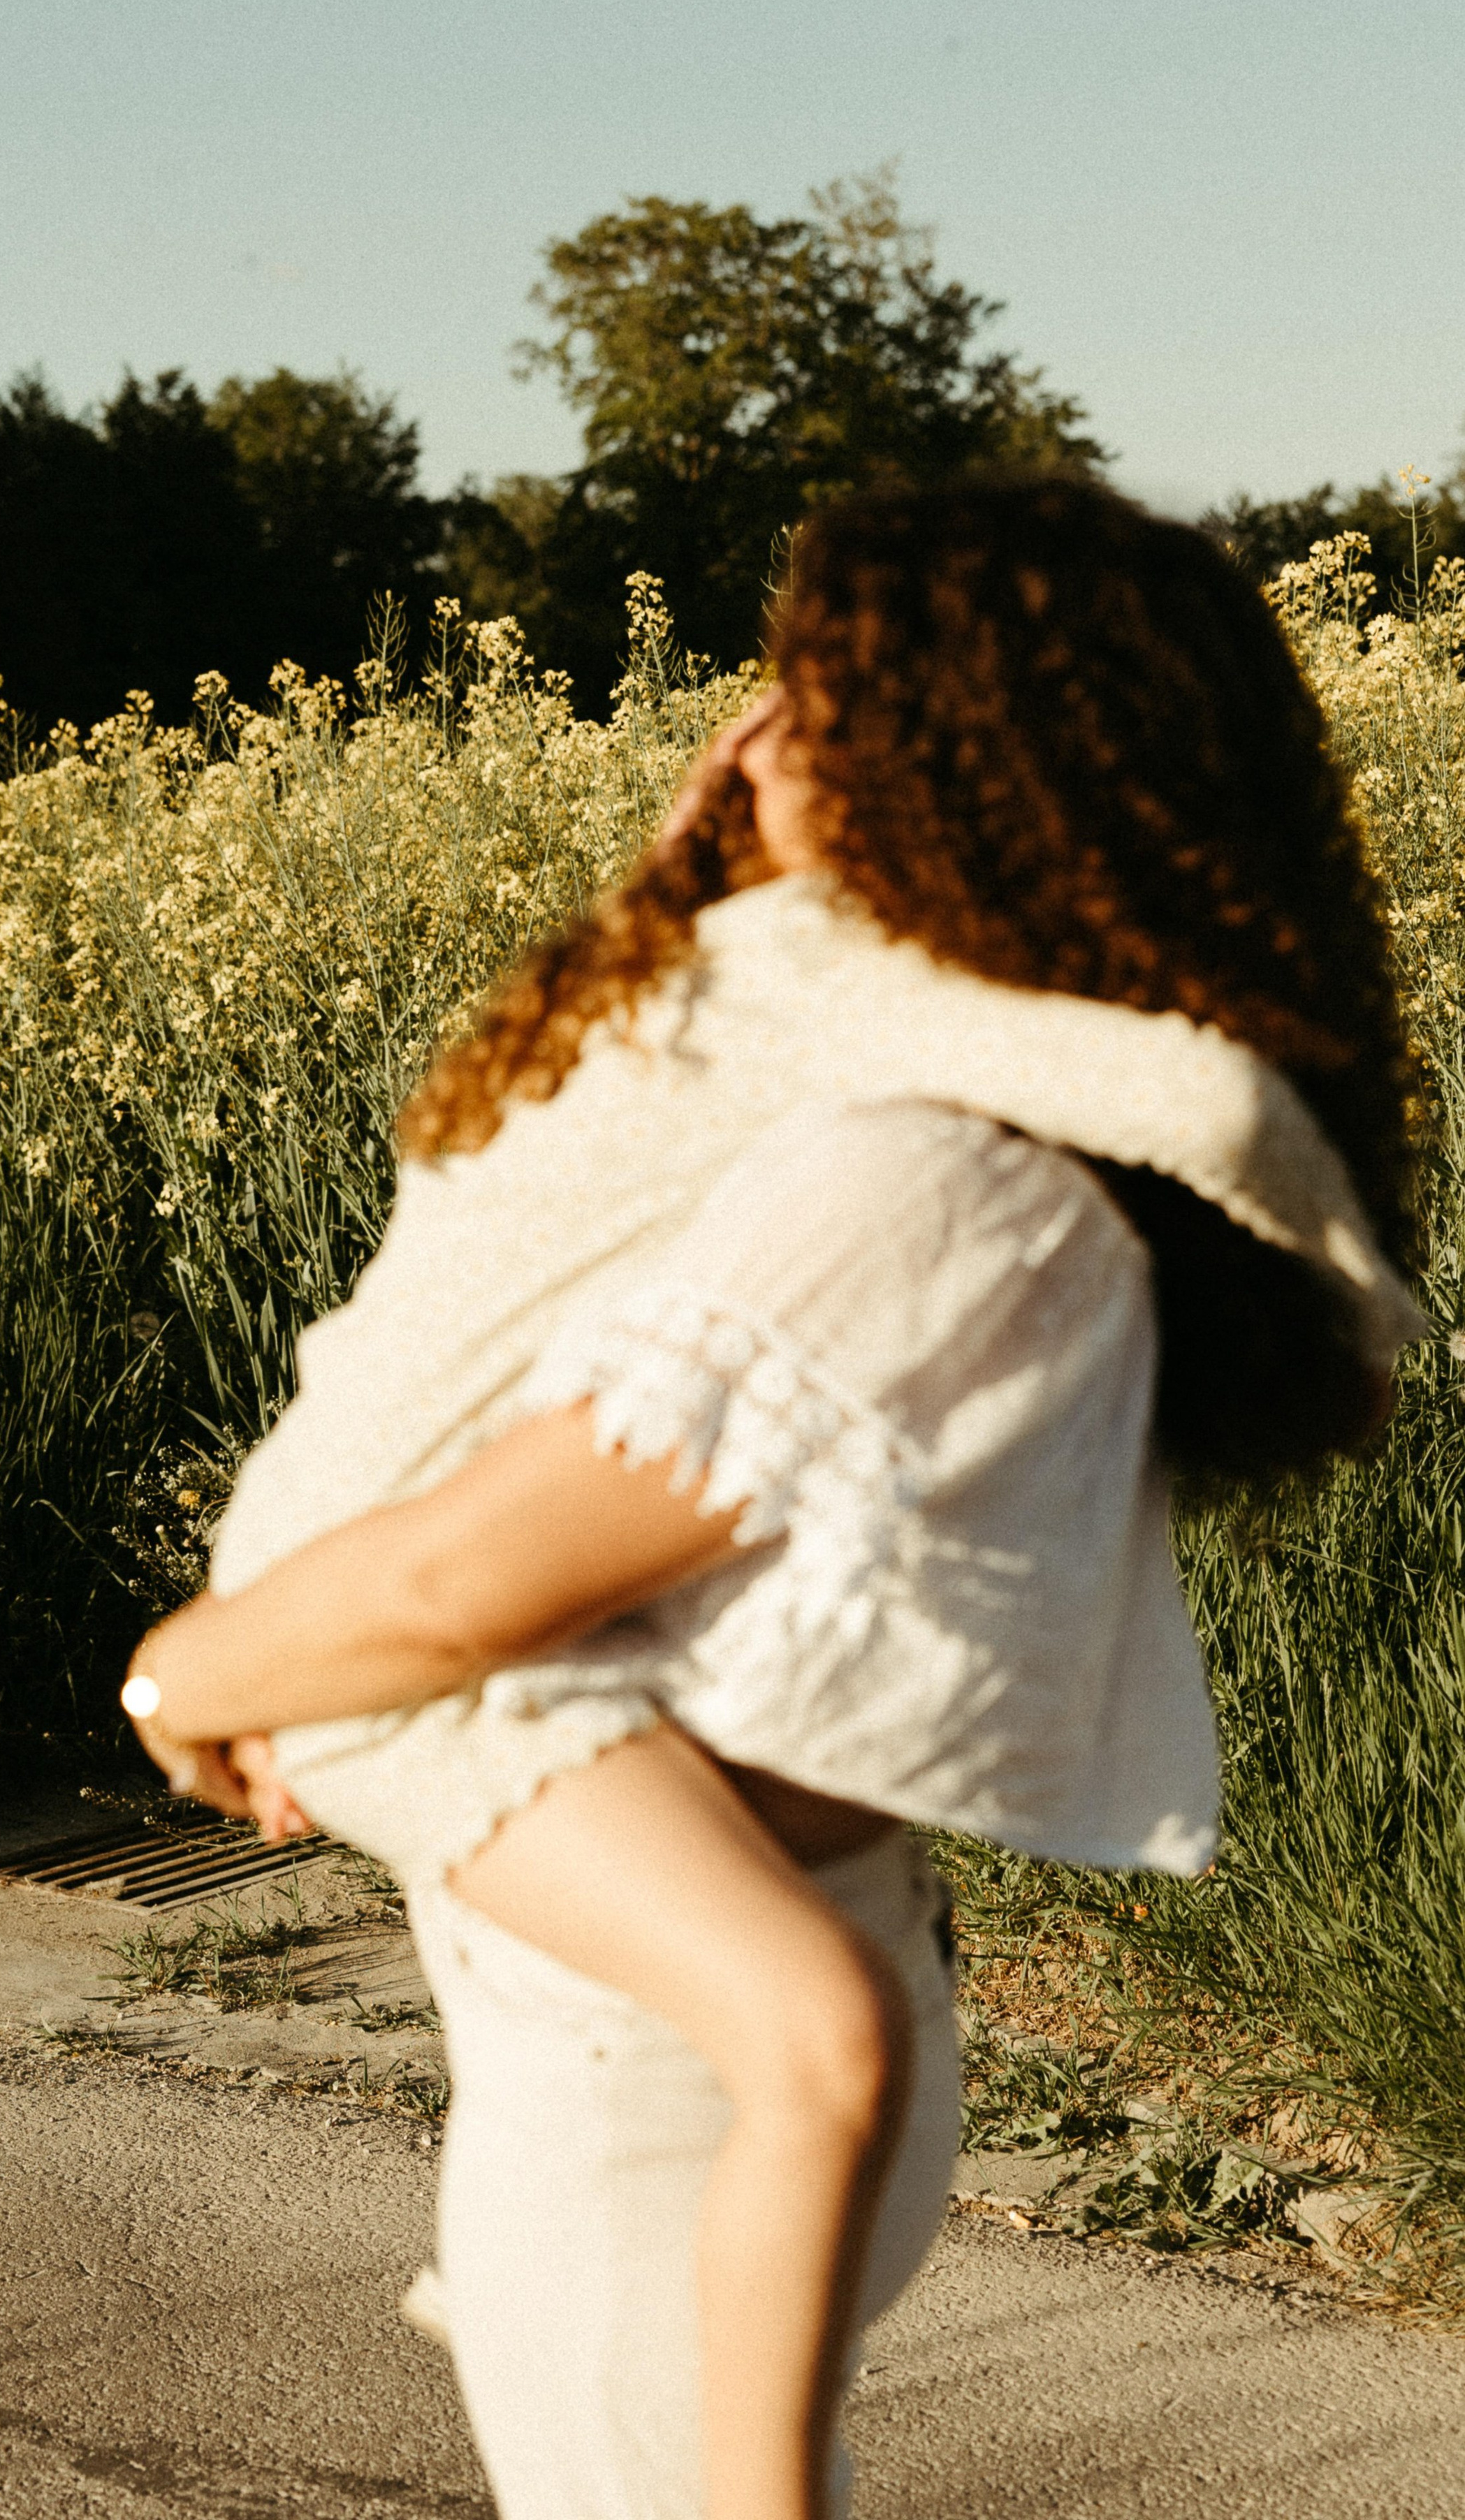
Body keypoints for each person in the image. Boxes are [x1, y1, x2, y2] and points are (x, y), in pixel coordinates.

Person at [121, 478, 1424, 2520]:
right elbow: (1198, 1090)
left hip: (510, 1857)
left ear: (952, 767)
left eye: (815, 695)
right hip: (497, 1767)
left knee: (806, 2052)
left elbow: (455, 1585)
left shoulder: (866, 1071)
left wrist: (191, 1667)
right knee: (803, 2047)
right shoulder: (807, 1004)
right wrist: (1358, 1284)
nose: (755, 730)